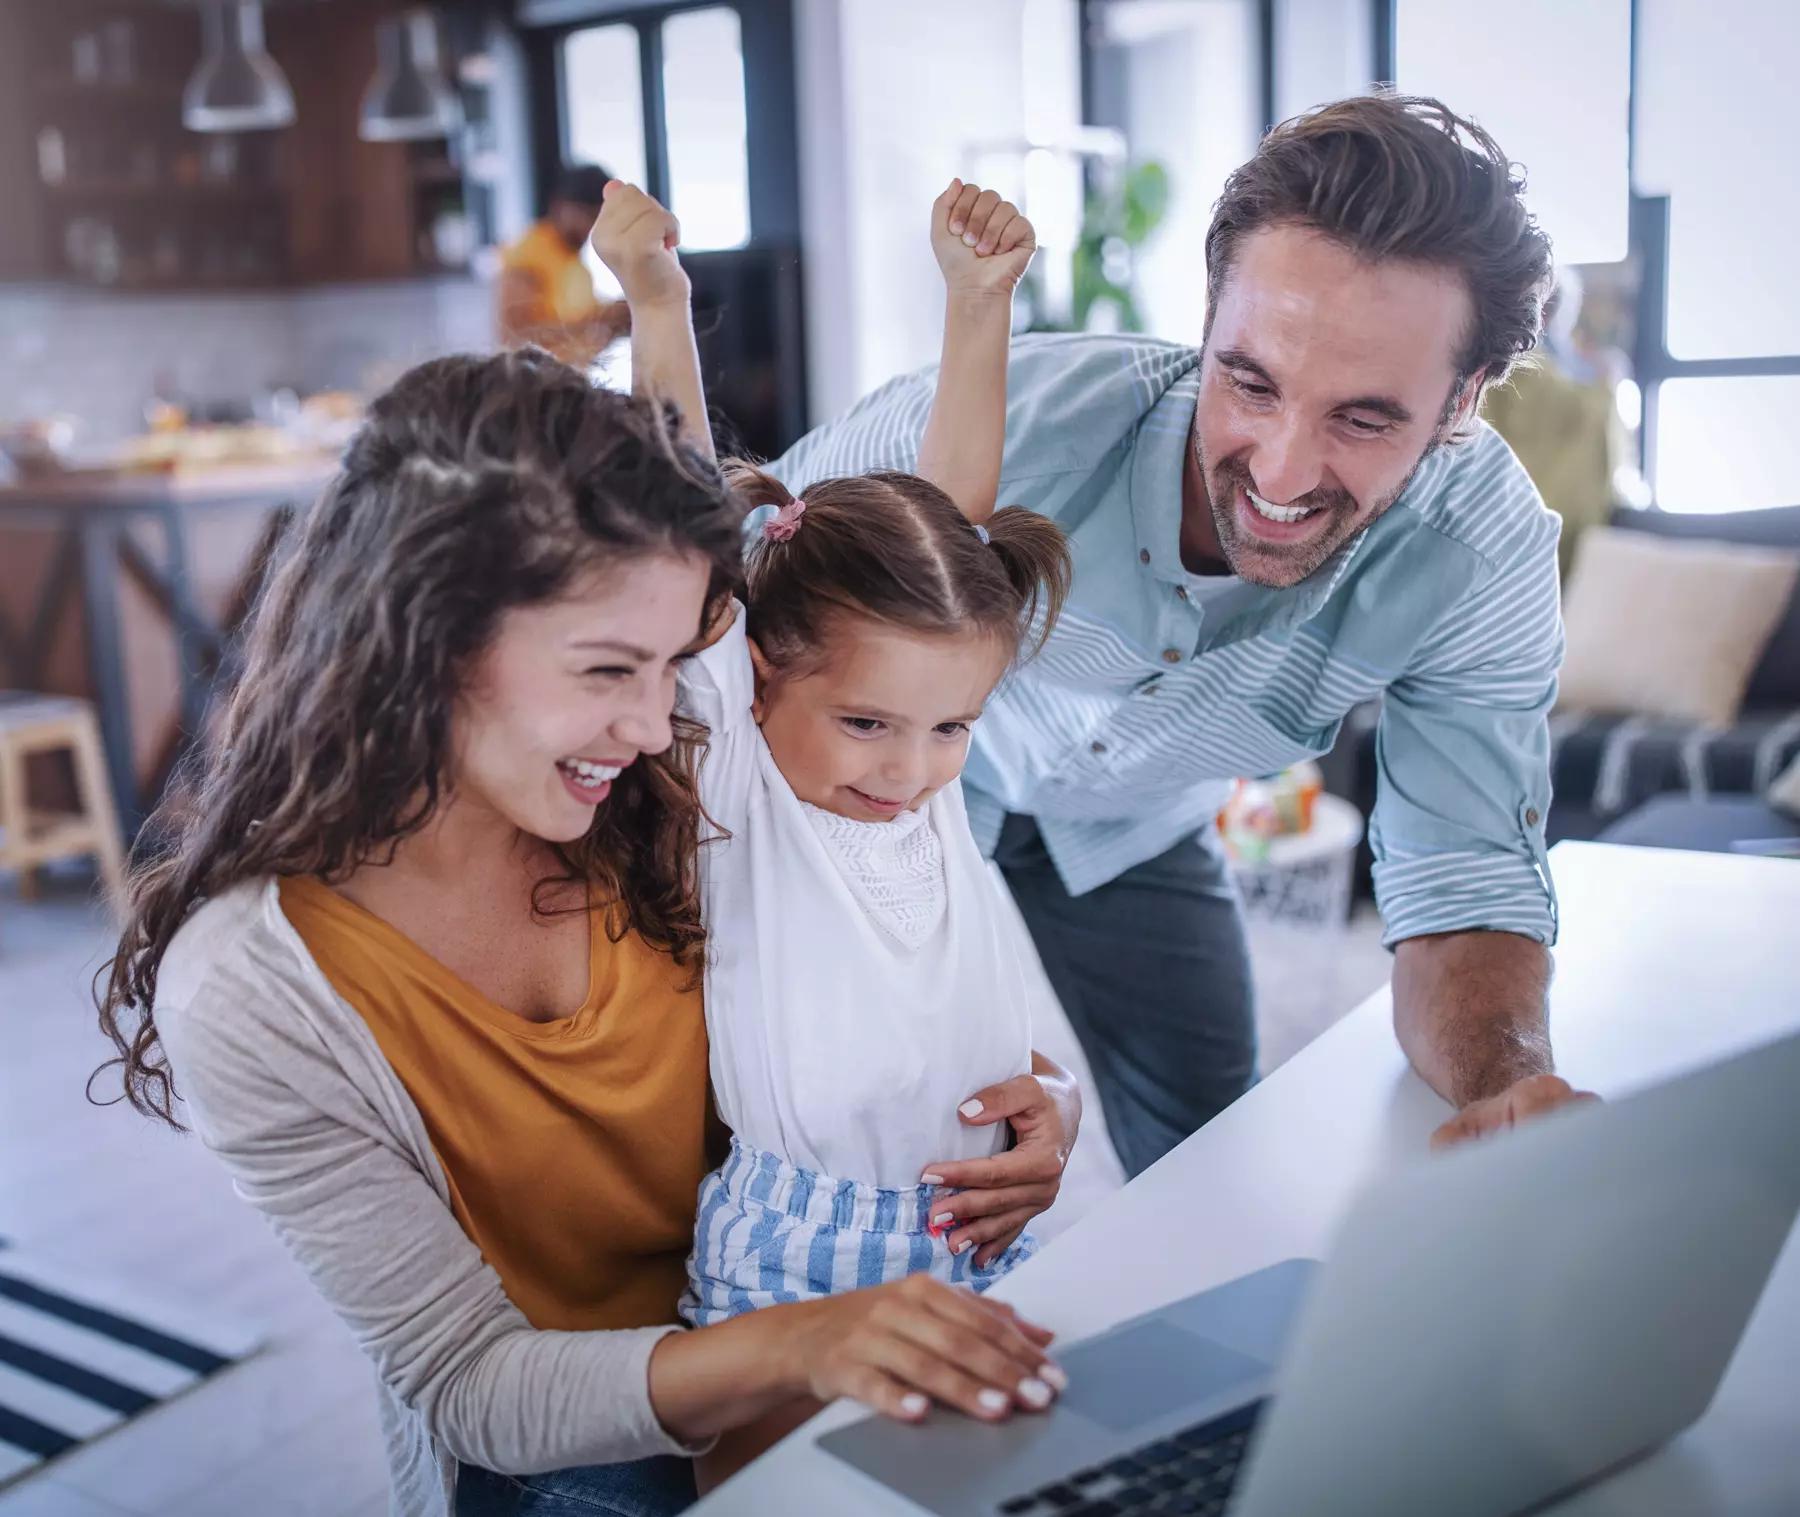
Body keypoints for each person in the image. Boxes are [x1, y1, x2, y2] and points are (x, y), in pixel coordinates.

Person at [94, 350, 1069, 1517]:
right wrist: (808, 1341)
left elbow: (879, 967)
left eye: (670, 667)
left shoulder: (671, 793)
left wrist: (1024, 1108)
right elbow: (474, 1383)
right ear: (426, 637)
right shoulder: (257, 988)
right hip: (574, 1444)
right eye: (609, 667)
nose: (658, 723)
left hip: (831, 1347)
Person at [770, 93, 1601, 1178]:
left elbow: (1465, 878)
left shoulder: (1479, 558)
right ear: (1208, 317)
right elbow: (723, 580)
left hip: (1138, 816)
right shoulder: (1007, 423)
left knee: (1211, 1158)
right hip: (905, 780)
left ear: (1463, 401)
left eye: (1363, 416)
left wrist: (1508, 1085)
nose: (1282, 472)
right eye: (1248, 381)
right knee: (842, 1120)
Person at [591, 175, 1077, 1485]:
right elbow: (683, 510)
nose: (912, 770)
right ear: (757, 679)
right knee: (783, 1500)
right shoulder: (751, 783)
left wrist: (981, 306)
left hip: (977, 1228)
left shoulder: (923, 768)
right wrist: (656, 296)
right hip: (803, 1255)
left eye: (950, 729)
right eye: (868, 724)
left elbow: (955, 528)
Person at [496, 163, 631, 366]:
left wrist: (617, 315)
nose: (590, 226)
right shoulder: (529, 253)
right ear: (559, 206)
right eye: (586, 214)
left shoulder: (577, 266)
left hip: (572, 384)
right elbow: (515, 337)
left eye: (598, 217)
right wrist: (599, 321)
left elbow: (585, 329)